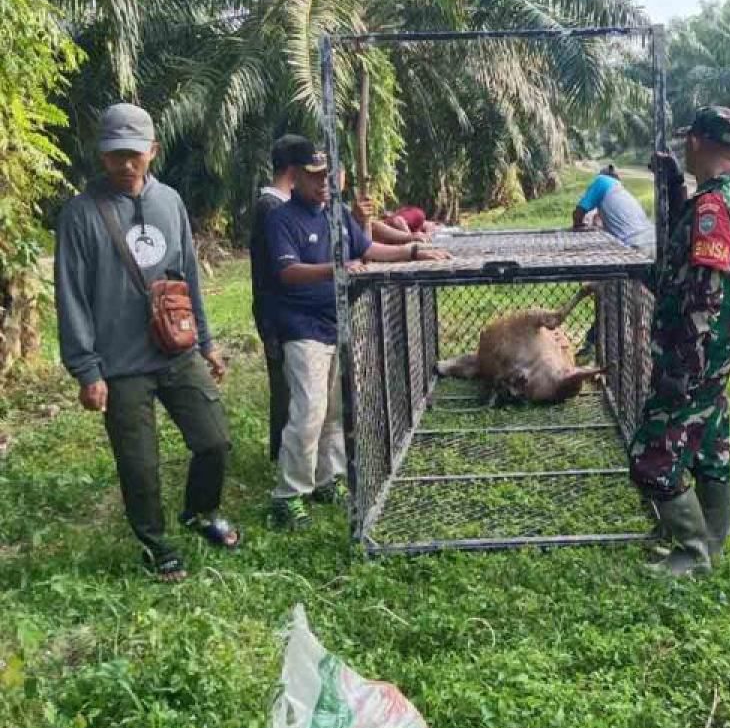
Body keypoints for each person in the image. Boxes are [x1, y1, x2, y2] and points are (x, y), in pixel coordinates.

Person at [54, 103, 240, 582]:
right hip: (120, 364)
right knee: (140, 464)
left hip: (176, 351)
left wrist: (206, 342)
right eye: (115, 154)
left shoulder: (170, 201)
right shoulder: (80, 214)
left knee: (214, 440)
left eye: (134, 154)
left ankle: (200, 513)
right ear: (102, 156)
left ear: (153, 151)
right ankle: (156, 543)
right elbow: (70, 294)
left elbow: (188, 278)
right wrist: (87, 369)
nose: (125, 164)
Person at [265, 145, 451, 529]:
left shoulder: (335, 214)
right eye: (315, 176)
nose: (324, 183)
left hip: (338, 322)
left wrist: (414, 250)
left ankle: (325, 479)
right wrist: (332, 270)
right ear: (296, 176)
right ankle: (288, 495)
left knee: (335, 408)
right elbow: (286, 273)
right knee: (310, 409)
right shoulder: (280, 218)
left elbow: (369, 249)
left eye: (330, 175)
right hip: (302, 326)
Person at [628, 106, 730, 577]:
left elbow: (705, 291)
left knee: (650, 459)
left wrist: (684, 363)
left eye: (687, 142)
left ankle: (693, 552)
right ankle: (713, 543)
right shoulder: (729, 195)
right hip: (716, 354)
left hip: (694, 354)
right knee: (709, 446)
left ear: (698, 142)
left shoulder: (713, 209)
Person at [252, 134, 310, 462]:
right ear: (294, 170)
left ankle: (287, 451)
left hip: (283, 310)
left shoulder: (278, 206)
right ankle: (284, 454)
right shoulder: (271, 208)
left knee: (291, 383)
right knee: (286, 387)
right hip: (277, 312)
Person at [573, 164, 655, 256]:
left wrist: (578, 226)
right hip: (651, 239)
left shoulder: (602, 180)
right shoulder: (620, 193)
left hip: (634, 244)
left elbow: (578, 213)